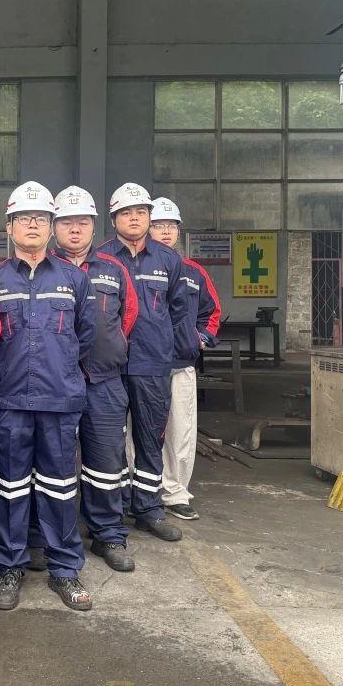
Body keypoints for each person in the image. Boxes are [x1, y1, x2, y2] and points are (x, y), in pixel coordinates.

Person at [0, 182, 97, 611]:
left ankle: (64, 569)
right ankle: (9, 565)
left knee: (60, 488)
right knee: (9, 488)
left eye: (41, 219)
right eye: (23, 218)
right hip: (10, 401)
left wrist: (61, 369)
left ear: (51, 228)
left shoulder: (74, 279)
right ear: (9, 226)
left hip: (59, 401)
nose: (32, 225)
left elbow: (85, 335)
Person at [49, 186, 139, 572]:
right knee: (53, 465)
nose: (75, 229)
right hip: (56, 383)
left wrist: (108, 347)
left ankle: (108, 534)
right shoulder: (44, 268)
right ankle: (51, 534)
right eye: (67, 222)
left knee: (105, 462)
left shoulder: (113, 270)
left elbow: (127, 316)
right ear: (54, 227)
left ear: (93, 226)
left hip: (104, 382)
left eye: (83, 222)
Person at [101, 182, 191, 543]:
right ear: (114, 220)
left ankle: (149, 509)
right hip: (110, 368)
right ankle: (115, 508)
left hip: (153, 364)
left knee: (150, 438)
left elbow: (180, 311)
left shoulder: (168, 260)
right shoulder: (101, 258)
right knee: (110, 441)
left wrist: (175, 351)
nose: (134, 218)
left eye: (140, 212)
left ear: (149, 217)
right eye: (126, 213)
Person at [147, 197, 220, 521]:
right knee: (137, 433)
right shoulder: (133, 269)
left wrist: (199, 338)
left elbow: (211, 312)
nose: (165, 231)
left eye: (171, 226)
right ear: (147, 229)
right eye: (158, 225)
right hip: (141, 366)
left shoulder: (194, 273)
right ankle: (140, 491)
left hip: (180, 365)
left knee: (180, 431)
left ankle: (175, 493)